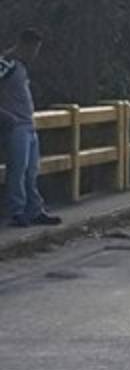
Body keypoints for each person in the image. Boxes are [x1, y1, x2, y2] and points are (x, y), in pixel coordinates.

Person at [0, 29, 61, 227]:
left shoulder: (22, 66)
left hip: (29, 125)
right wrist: (5, 116)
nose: (35, 54)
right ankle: (16, 211)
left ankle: (35, 210)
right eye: (33, 49)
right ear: (24, 45)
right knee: (18, 170)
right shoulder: (7, 63)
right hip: (15, 125)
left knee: (31, 170)